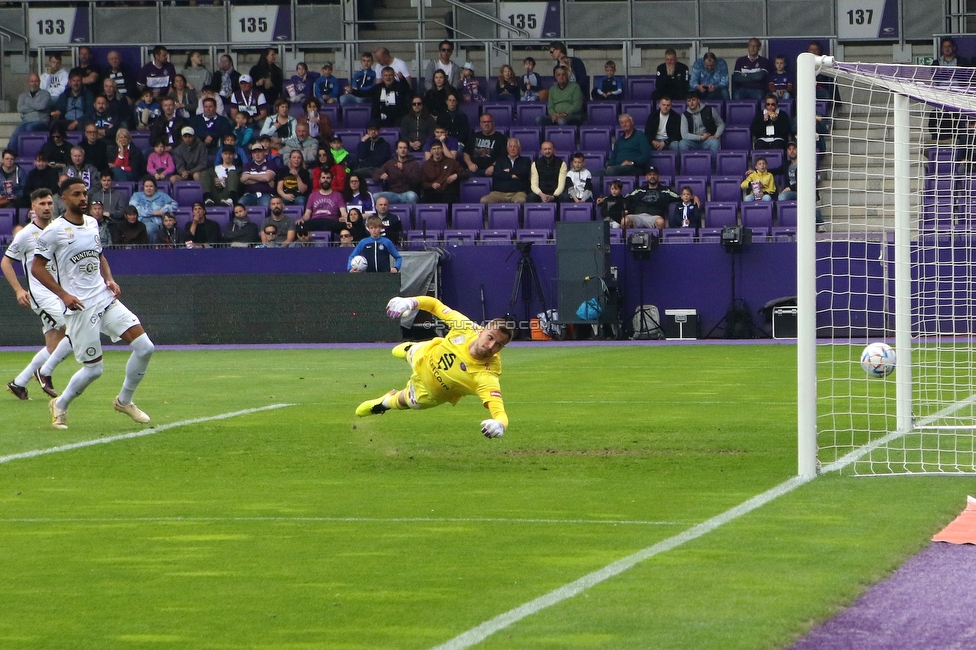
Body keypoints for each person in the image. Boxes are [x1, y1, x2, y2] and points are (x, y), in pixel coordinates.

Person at [33, 177, 155, 429]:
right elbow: (37, 268)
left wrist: (109, 279)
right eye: (76, 194)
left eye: (84, 193)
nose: (83, 198)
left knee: (145, 347)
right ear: (64, 199)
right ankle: (61, 404)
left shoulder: (91, 223)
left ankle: (124, 400)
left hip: (103, 297)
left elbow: (99, 255)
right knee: (94, 370)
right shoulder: (53, 231)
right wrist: (63, 295)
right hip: (79, 307)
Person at [356, 296, 513, 441]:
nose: (491, 346)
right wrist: (411, 302)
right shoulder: (465, 327)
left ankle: (384, 403)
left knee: (408, 402)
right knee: (397, 350)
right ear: (482, 330)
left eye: (499, 344)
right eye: (490, 337)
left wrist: (500, 424)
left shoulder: (486, 375)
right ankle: (409, 349)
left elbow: (499, 411)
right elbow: (435, 305)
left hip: (429, 390)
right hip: (424, 354)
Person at [3, 188, 74, 401]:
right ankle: (44, 372)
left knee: (53, 346)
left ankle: (19, 383)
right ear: (33, 207)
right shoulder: (26, 234)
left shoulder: (57, 229)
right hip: (41, 295)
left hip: (58, 293)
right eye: (42, 204)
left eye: (49, 203)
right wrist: (18, 289)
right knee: (74, 329)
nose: (46, 208)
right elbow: (6, 262)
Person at [623, 167, 687, 229]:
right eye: (650, 175)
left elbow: (681, 197)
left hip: (654, 217)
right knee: (624, 221)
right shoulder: (639, 190)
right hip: (638, 216)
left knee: (660, 222)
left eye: (654, 175)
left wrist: (693, 197)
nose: (652, 177)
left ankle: (659, 240)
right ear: (646, 177)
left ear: (658, 177)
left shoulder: (665, 191)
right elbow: (626, 198)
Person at [10, 74, 52, 156]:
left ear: (39, 82)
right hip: (26, 122)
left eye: (36, 81)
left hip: (41, 122)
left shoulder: (45, 94)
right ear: (29, 83)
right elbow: (20, 109)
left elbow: (42, 106)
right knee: (16, 133)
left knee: (30, 128)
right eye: (32, 81)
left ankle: (29, 154)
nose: (34, 83)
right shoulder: (23, 96)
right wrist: (36, 107)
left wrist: (28, 104)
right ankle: (11, 155)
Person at [481, 138, 531, 204]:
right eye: (511, 147)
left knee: (520, 200)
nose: (512, 149)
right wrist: (512, 176)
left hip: (517, 193)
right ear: (507, 149)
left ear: (519, 149)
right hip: (499, 193)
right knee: (484, 200)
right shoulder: (500, 160)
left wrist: (510, 170)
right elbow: (498, 174)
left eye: (515, 147)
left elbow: (524, 173)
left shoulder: (526, 161)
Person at [129, 176, 177, 243]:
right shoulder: (137, 196)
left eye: (151, 186)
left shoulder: (162, 195)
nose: (149, 188)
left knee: (149, 228)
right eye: (146, 186)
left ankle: (151, 250)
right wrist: (152, 212)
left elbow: (174, 204)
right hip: (139, 221)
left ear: (155, 187)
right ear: (143, 187)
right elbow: (133, 208)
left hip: (156, 222)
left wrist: (163, 210)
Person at [239, 142, 277, 207]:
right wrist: (264, 179)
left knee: (265, 205)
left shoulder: (271, 164)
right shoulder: (247, 165)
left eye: (259, 151)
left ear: (264, 152)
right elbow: (244, 180)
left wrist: (249, 176)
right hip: (250, 194)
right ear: (252, 154)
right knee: (241, 203)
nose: (257, 154)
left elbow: (267, 178)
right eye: (254, 152)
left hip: (266, 194)